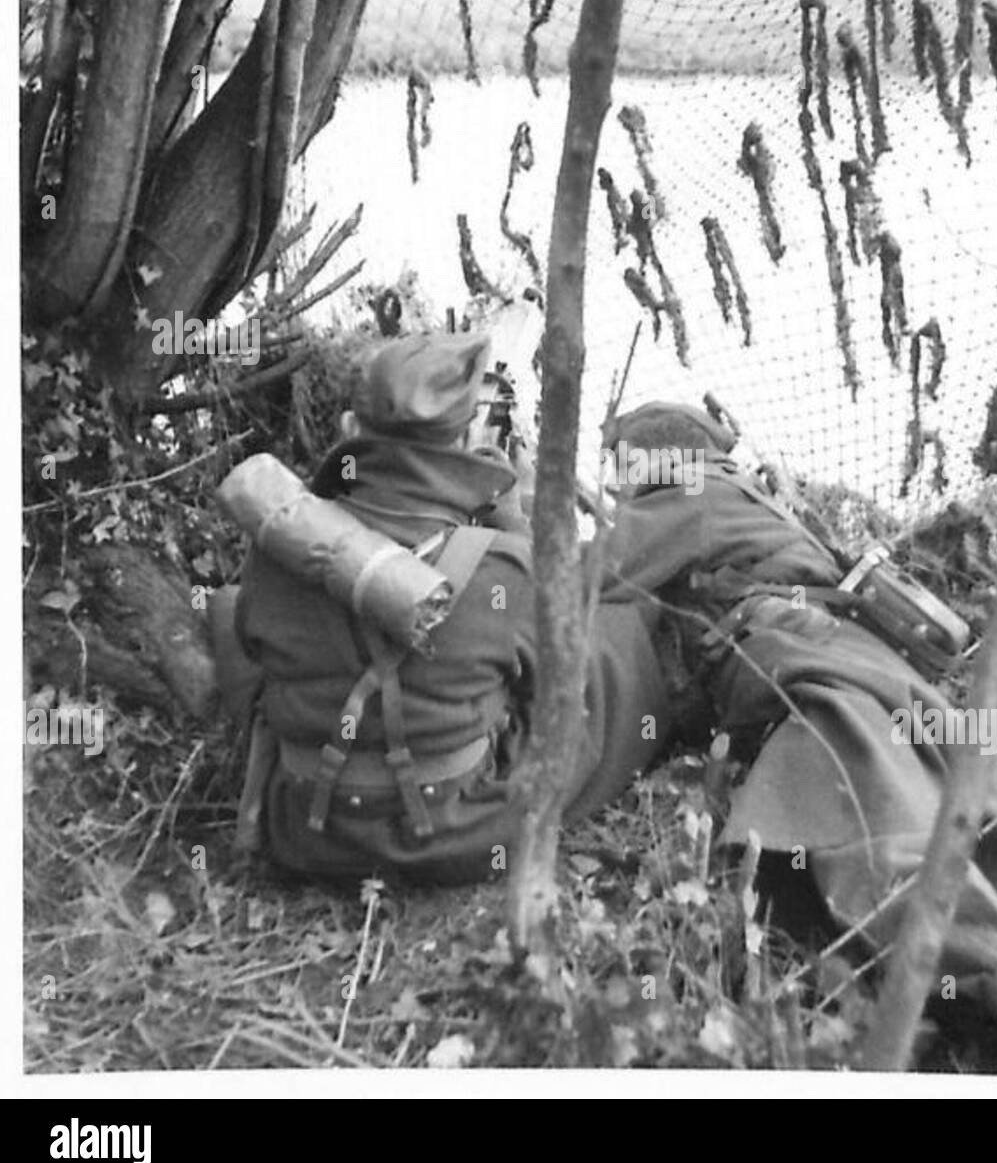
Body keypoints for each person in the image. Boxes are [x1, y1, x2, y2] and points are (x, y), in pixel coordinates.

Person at [596, 400, 997, 1082]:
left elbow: (581, 575)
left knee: (875, 835)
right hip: (879, 678)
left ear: (650, 457)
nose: (616, 483)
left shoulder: (685, 495)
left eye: (620, 463)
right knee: (884, 815)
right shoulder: (747, 498)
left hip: (818, 681)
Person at [221, 332, 671, 882]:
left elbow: (251, 639)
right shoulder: (504, 569)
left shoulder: (277, 549)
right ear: (461, 438)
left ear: (351, 430)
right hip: (455, 835)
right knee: (611, 639)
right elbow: (552, 682)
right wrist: (512, 528)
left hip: (306, 833)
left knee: (226, 610)